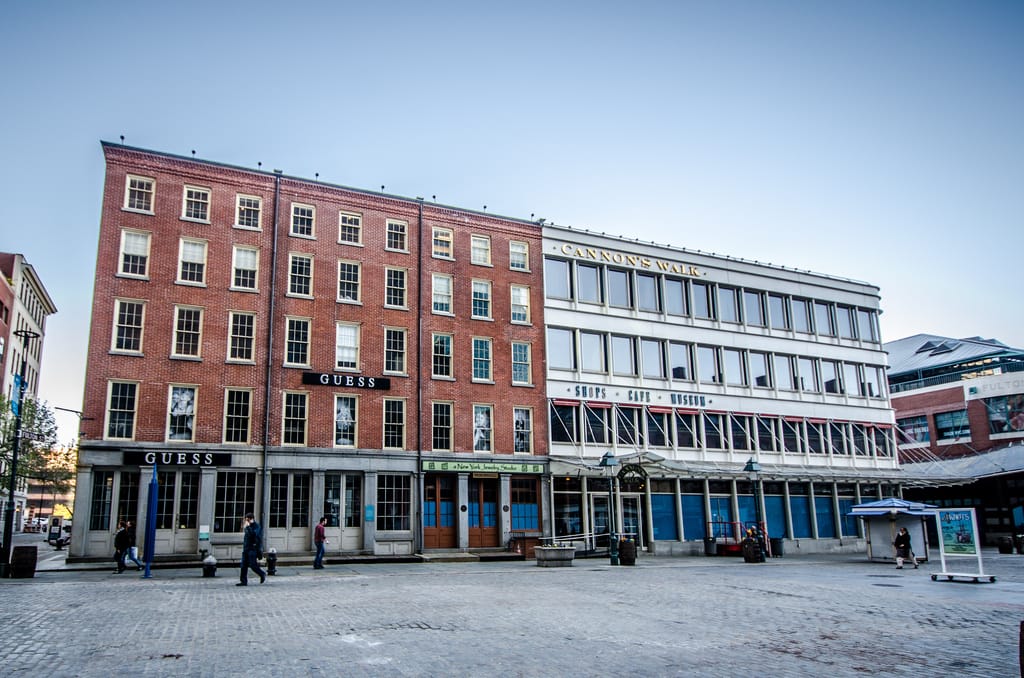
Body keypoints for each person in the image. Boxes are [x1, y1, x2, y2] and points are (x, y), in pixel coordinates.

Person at [238, 512, 266, 586]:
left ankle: (262, 574)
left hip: (253, 549)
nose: (246, 522)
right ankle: (243, 581)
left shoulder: (256, 527)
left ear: (251, 519)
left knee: (253, 565)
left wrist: (248, 527)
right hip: (246, 548)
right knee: (243, 565)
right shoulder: (248, 527)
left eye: (247, 520)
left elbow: (254, 536)